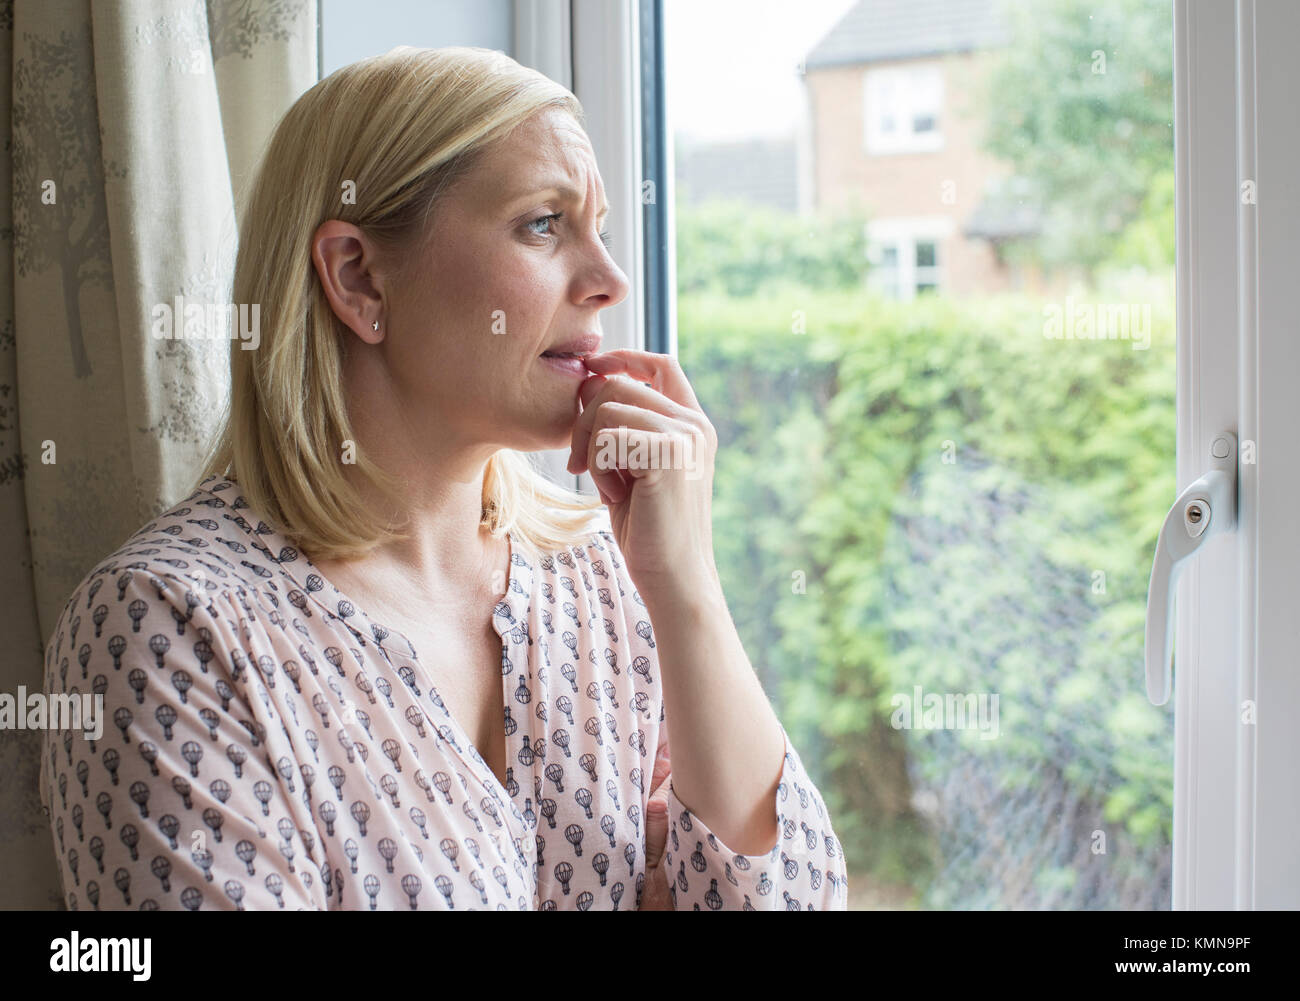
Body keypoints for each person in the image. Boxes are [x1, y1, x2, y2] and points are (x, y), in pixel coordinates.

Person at [39, 45, 847, 911]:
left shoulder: (603, 578)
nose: (610, 281)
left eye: (601, 228)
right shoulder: (171, 626)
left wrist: (688, 584)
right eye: (544, 224)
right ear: (358, 278)